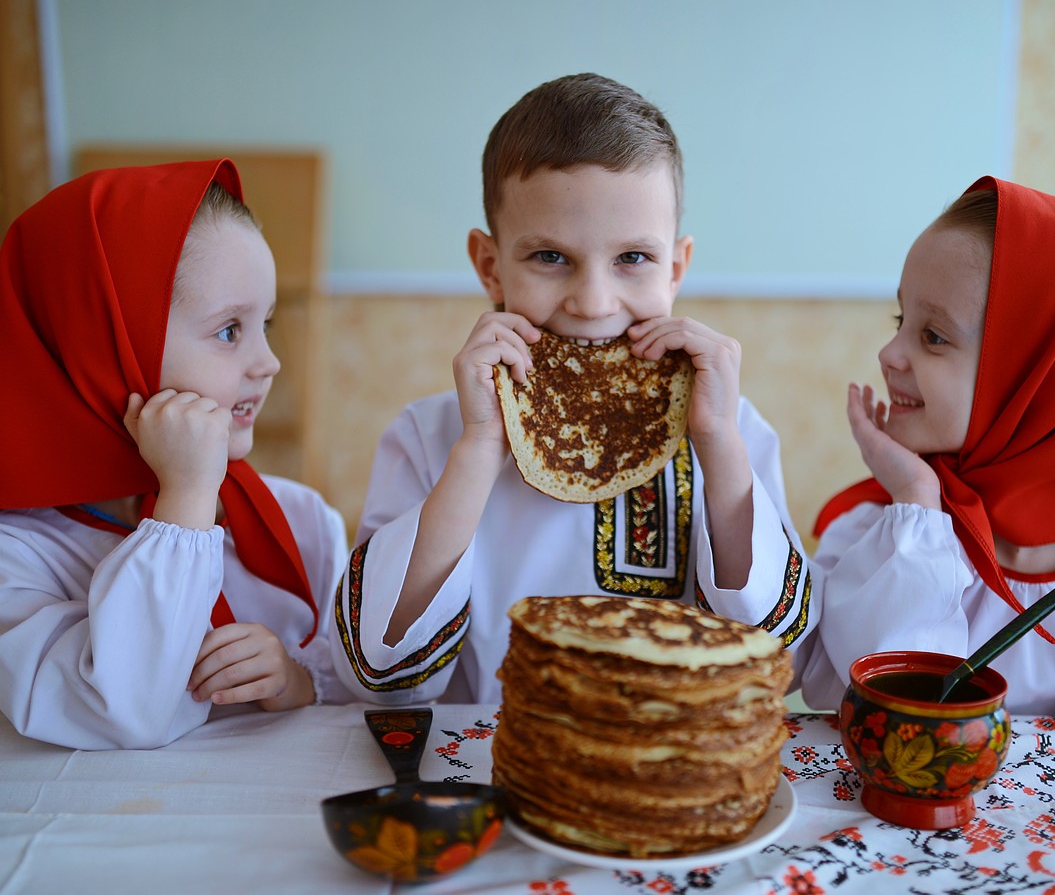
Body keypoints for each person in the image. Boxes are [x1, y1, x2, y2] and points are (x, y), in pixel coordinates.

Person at [331, 73, 816, 703]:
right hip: (491, 771)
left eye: (633, 259)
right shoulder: (429, 436)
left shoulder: (732, 430)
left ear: (675, 268)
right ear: (489, 265)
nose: (592, 303)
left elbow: (777, 660)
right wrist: (478, 450)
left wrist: (719, 444)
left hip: (674, 772)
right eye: (551, 257)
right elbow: (378, 674)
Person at [799, 176, 1055, 796]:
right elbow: (874, 706)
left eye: (933, 336)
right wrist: (914, 501)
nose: (889, 352)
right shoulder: (879, 533)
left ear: (1047, 374)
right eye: (901, 318)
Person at [0, 160, 357, 750]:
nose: (269, 363)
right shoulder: (19, 555)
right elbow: (119, 711)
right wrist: (187, 499)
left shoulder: (303, 521)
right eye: (228, 331)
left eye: (264, 324)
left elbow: (364, 701)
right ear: (103, 344)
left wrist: (296, 681)